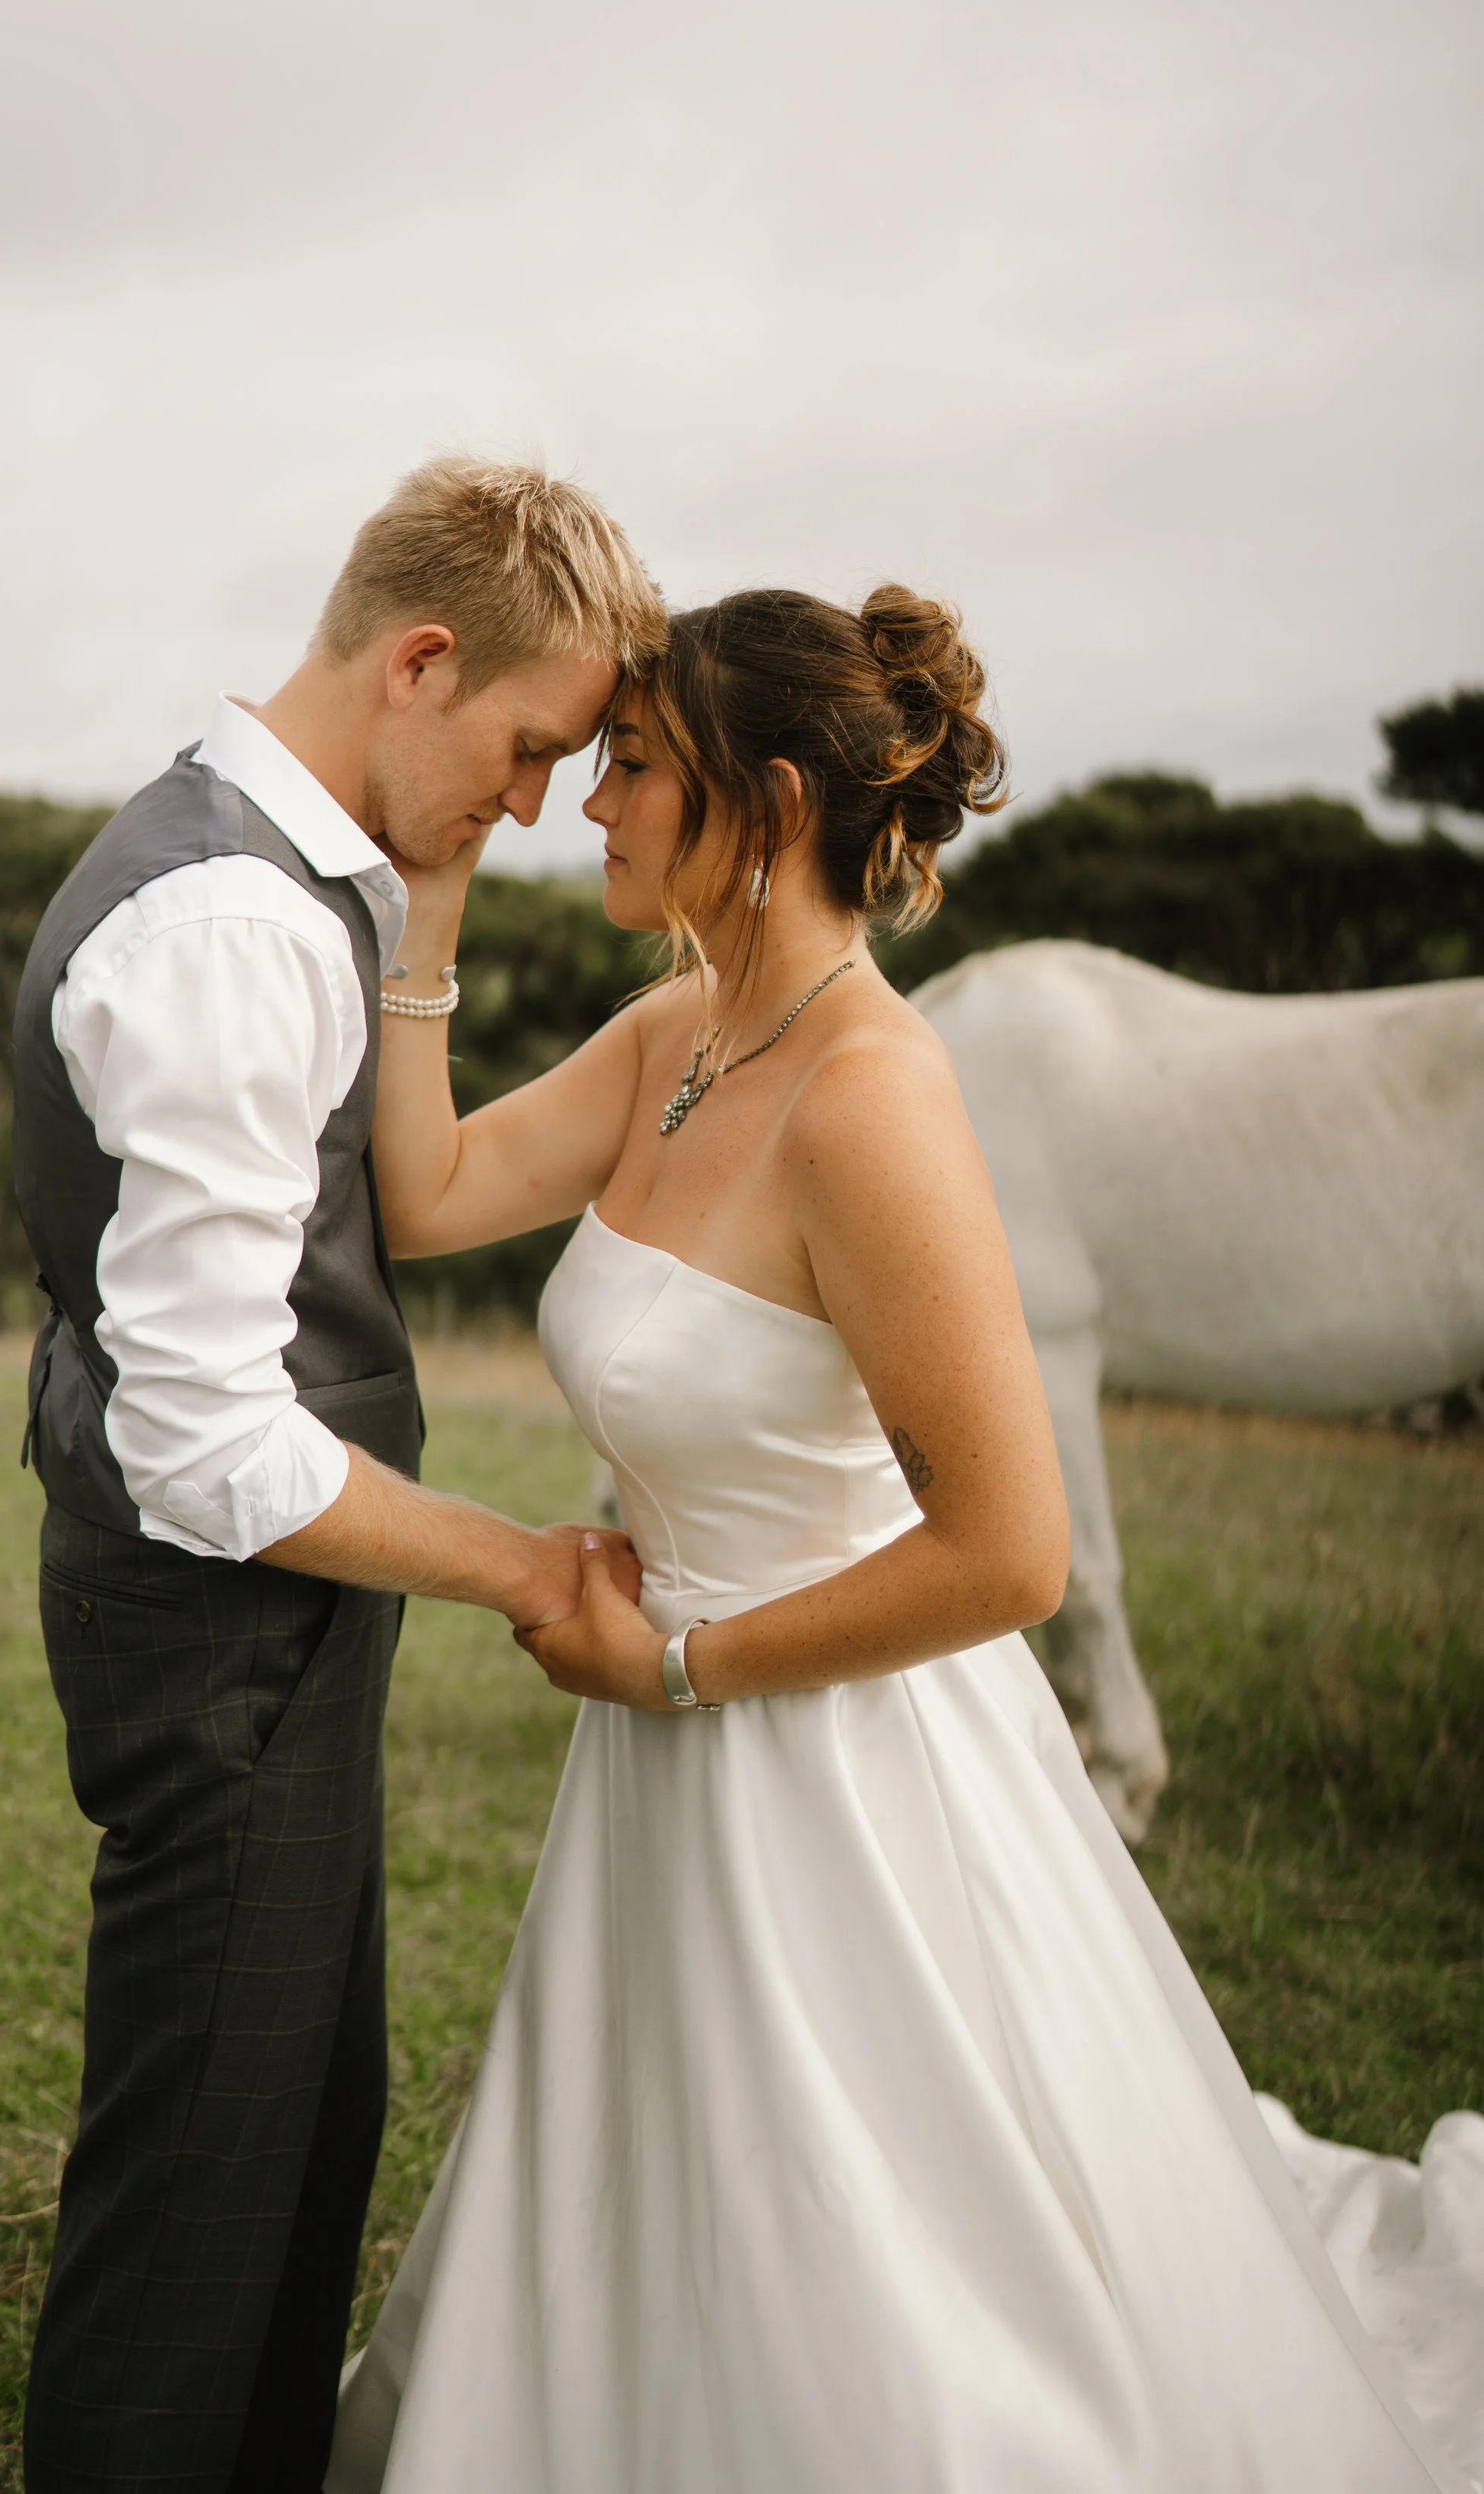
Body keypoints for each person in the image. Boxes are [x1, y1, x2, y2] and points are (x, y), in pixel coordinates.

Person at [326, 586, 1463, 2492]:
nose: (586, 805)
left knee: (869, 2240)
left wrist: (673, 1662)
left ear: (761, 805)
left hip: (841, 1769)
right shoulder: (674, 1031)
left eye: (630, 769)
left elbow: (1011, 1553)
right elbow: (427, 1189)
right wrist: (425, 890)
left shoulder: (872, 1103)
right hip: (657, 1782)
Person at [11, 458, 666, 2494]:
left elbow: (370, 1199)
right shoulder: (229, 929)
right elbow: (204, 1434)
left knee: (296, 2131)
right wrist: (527, 1568)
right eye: (530, 747)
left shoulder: (283, 888)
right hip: (225, 1623)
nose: (543, 804)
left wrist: (425, 913)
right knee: (197, 2209)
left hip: (264, 1622)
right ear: (418, 657)